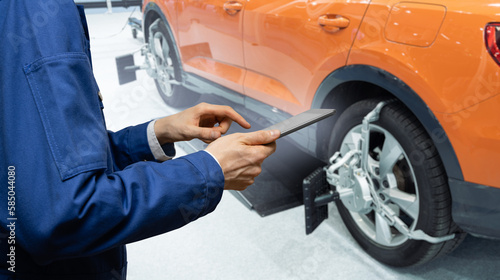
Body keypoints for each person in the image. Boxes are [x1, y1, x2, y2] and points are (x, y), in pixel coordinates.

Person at [0, 1, 279, 279]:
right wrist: (209, 170)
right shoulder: (40, 13)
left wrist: (156, 133)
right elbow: (65, 215)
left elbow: (40, 161)